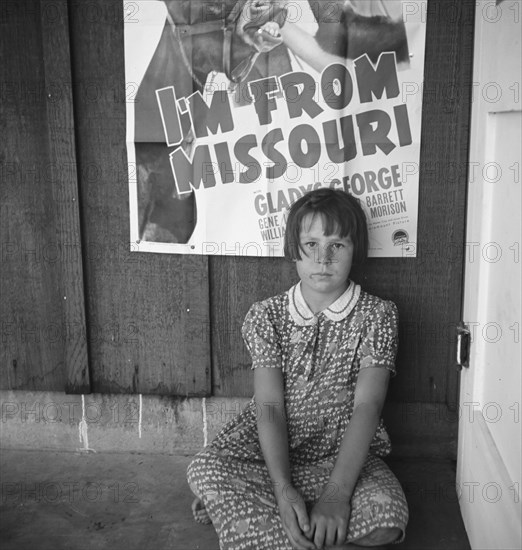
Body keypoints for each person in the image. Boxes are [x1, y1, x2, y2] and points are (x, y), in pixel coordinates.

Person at [187, 188, 408, 549]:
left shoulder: (376, 315)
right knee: (205, 469)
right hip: (269, 459)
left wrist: (337, 496)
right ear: (293, 249)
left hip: (343, 459)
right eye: (311, 244)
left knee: (387, 522)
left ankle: (264, 523)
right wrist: (284, 489)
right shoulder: (267, 316)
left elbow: (368, 408)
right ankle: (290, 514)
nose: (323, 258)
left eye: (337, 245)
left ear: (357, 251)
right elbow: (269, 406)